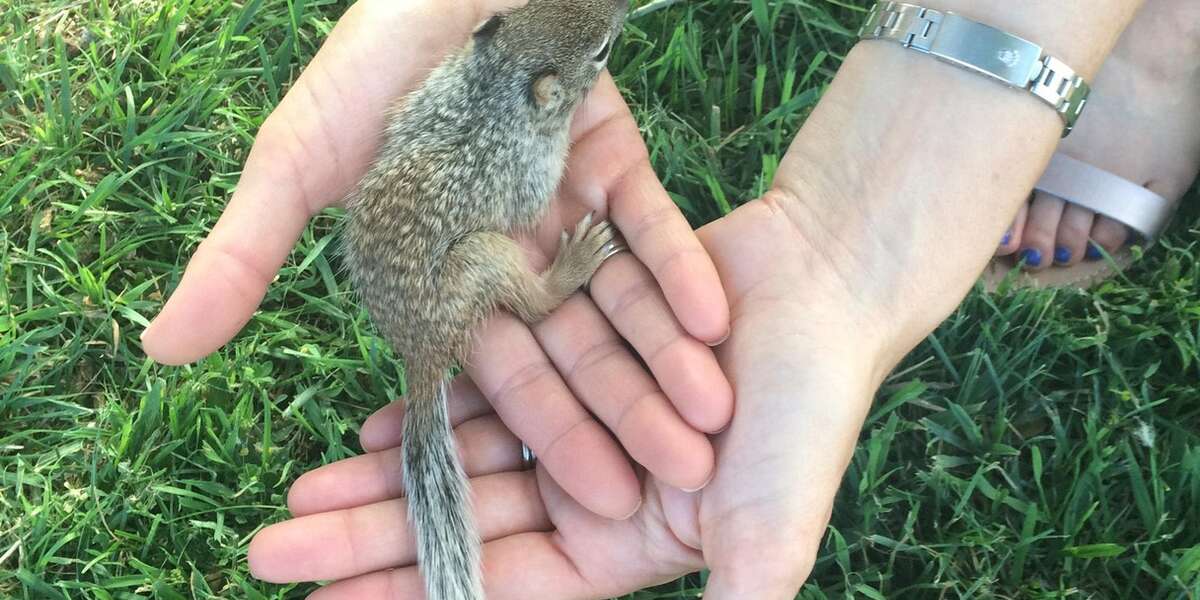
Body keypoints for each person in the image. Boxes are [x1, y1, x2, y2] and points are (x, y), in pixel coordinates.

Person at [140, 0, 1191, 597]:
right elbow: (506, 205)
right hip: (462, 270)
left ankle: (1157, 39)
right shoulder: (532, 129)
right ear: (549, 89)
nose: (614, 51)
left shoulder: (511, 75)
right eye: (600, 55)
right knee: (486, 270)